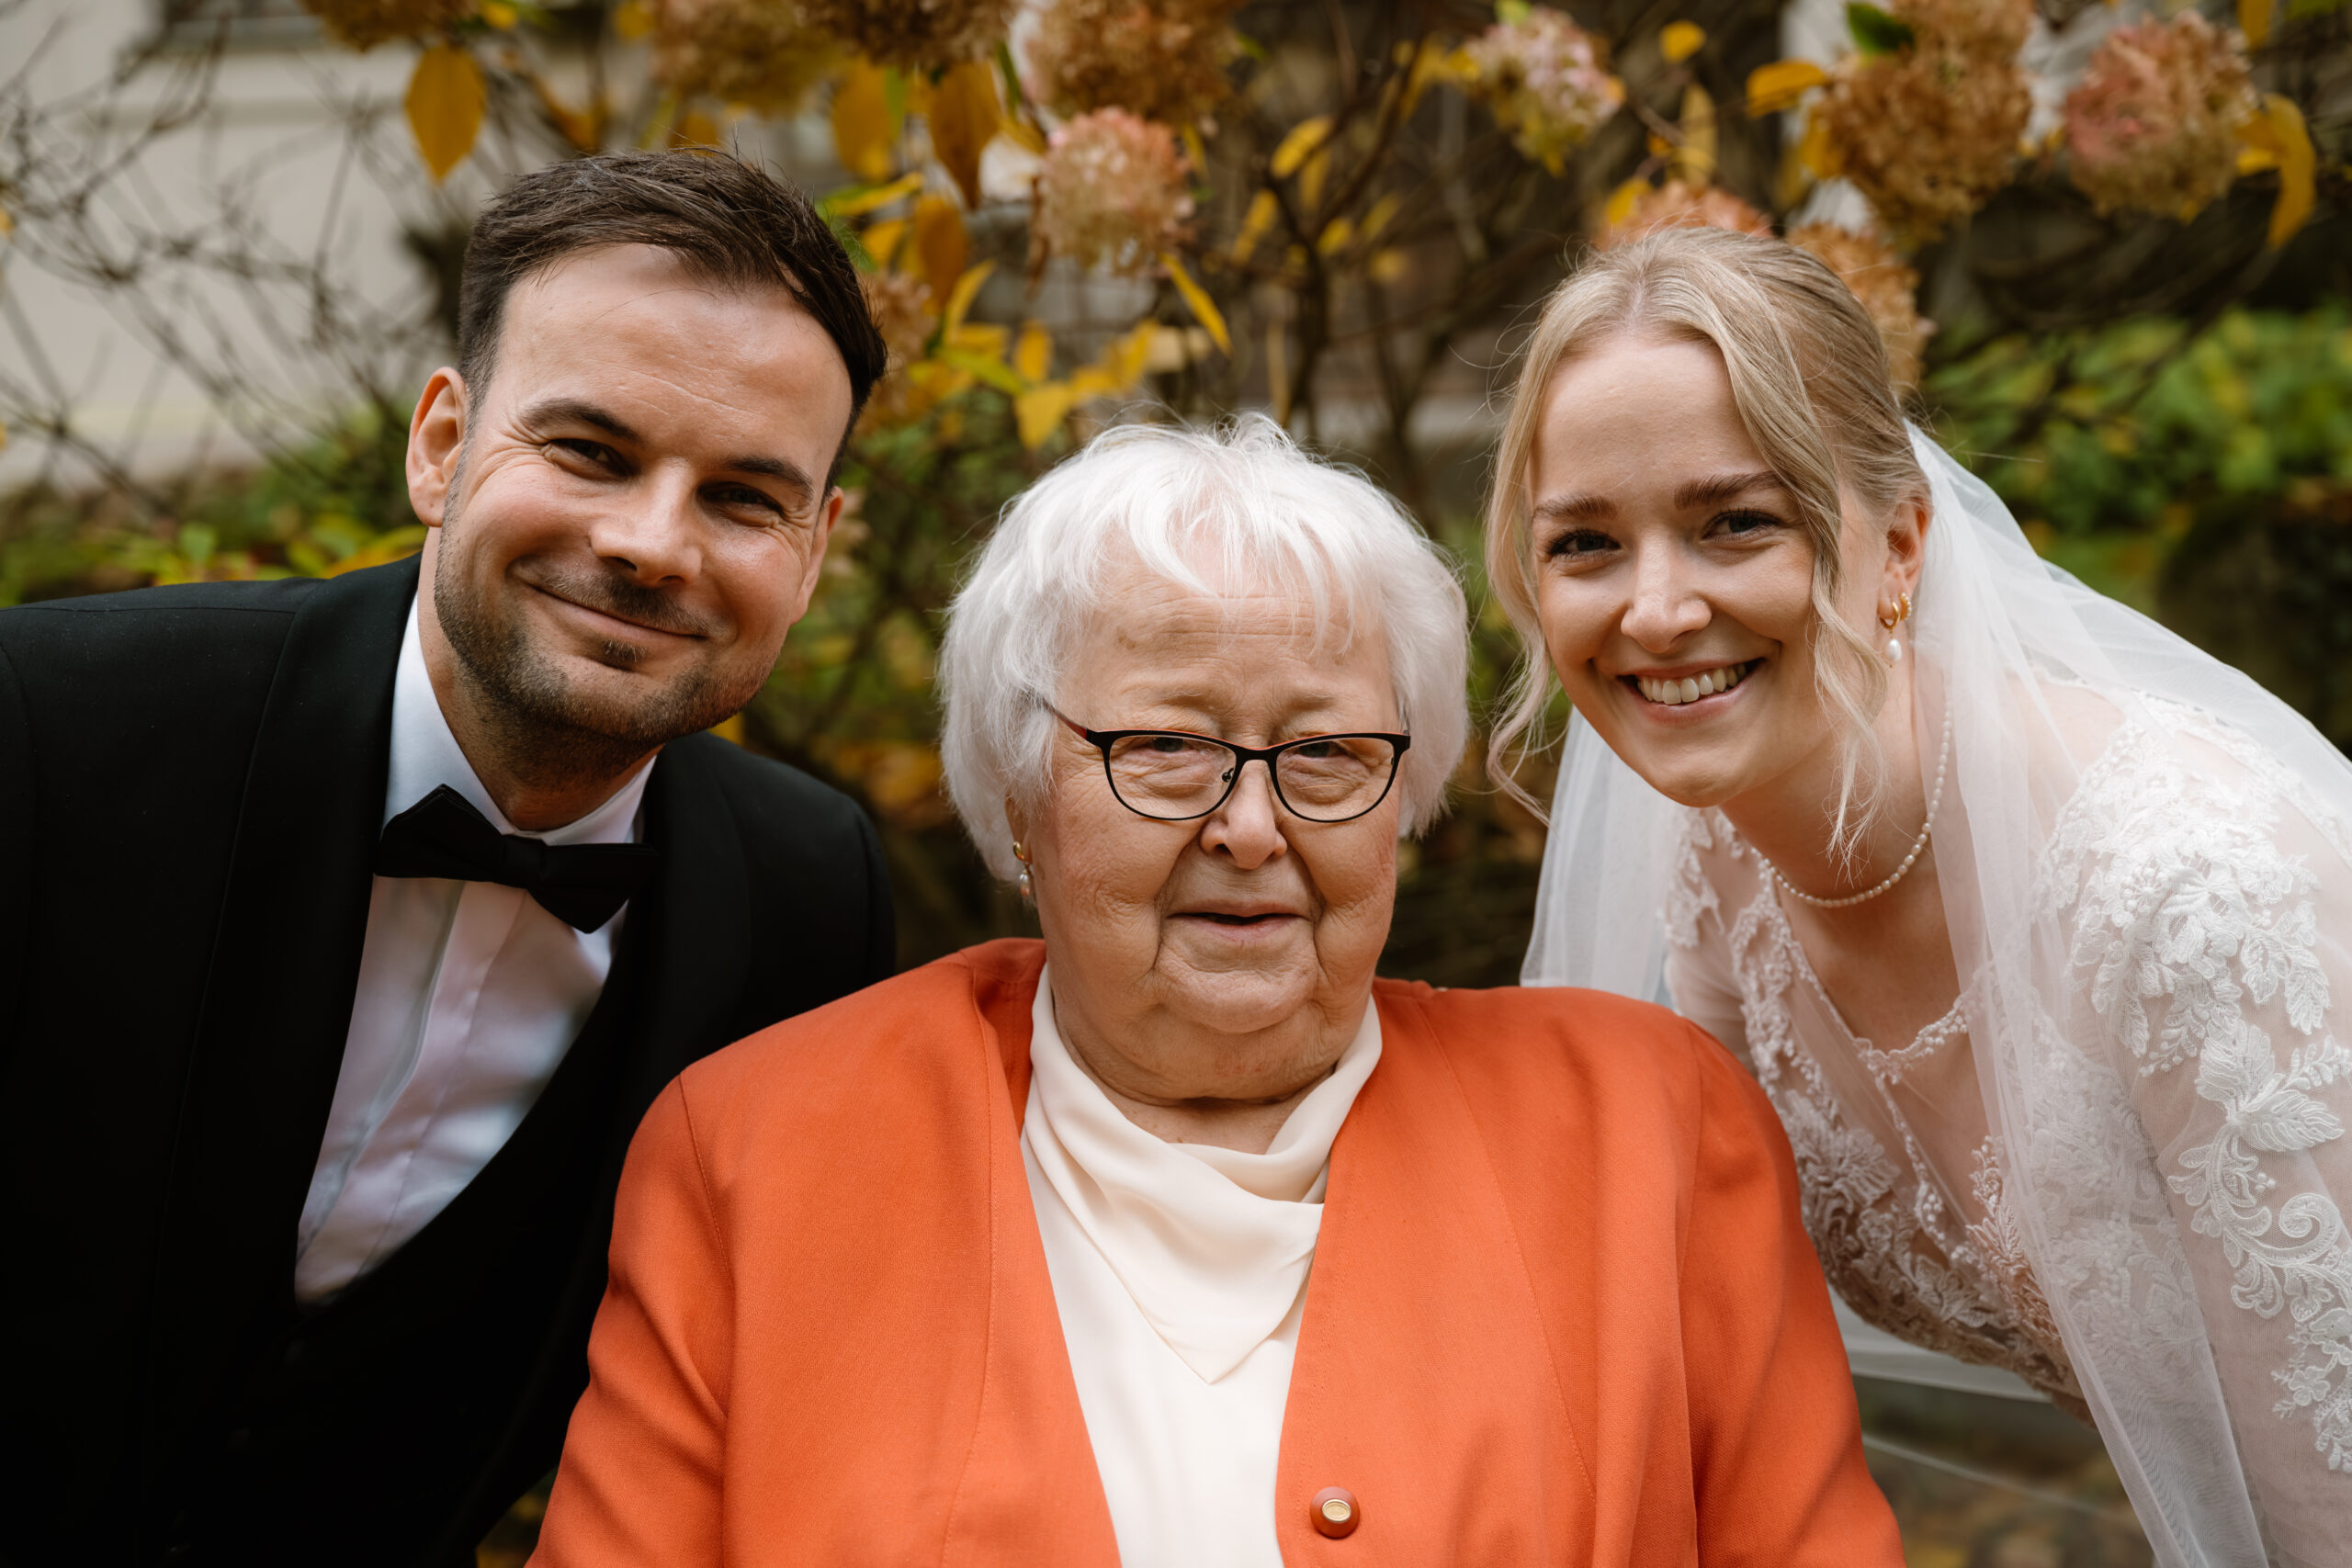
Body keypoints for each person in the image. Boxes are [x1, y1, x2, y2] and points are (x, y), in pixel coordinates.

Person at [526, 416, 1903, 1568]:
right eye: (1167, 747)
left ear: (1405, 798)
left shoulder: (1651, 1125)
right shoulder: (755, 1151)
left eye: (1326, 753)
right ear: (1019, 797)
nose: (1252, 827)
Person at [0, 152, 897, 1567]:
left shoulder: (811, 899)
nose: (652, 545)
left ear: (817, 549)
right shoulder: (50, 728)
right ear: (441, 446)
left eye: (743, 498)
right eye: (591, 451)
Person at [1488, 224, 2352, 1566]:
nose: (1654, 612)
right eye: (1586, 543)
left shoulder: (2189, 900)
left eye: (1737, 523)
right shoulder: (1714, 861)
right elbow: (1677, 1322)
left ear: (1899, 546)